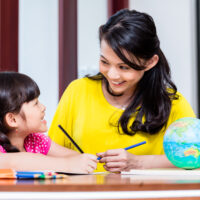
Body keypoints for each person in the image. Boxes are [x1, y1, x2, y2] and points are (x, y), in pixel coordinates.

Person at [48, 9, 195, 172]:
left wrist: (139, 163)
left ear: (150, 62)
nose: (112, 75)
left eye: (124, 67)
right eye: (104, 62)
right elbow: (48, 153)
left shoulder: (172, 104)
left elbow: (195, 159)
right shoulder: (78, 91)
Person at [0, 71, 97, 173]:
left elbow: (75, 158)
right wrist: (67, 164)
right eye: (36, 103)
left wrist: (84, 161)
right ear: (12, 119)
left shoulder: (37, 141)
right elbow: (14, 162)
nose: (43, 107)